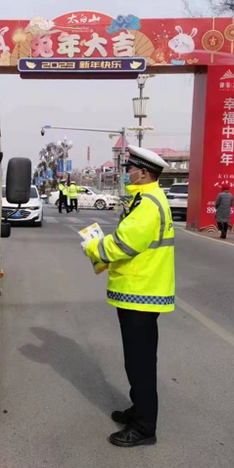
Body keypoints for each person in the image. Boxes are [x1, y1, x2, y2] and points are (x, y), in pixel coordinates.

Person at [82, 146, 175, 448]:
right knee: (136, 360)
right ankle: (139, 410)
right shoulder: (145, 199)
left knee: (141, 363)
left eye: (131, 169)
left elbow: (122, 245)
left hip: (141, 292)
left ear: (144, 173)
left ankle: (145, 427)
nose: (127, 173)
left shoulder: (148, 204)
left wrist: (93, 248)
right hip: (138, 292)